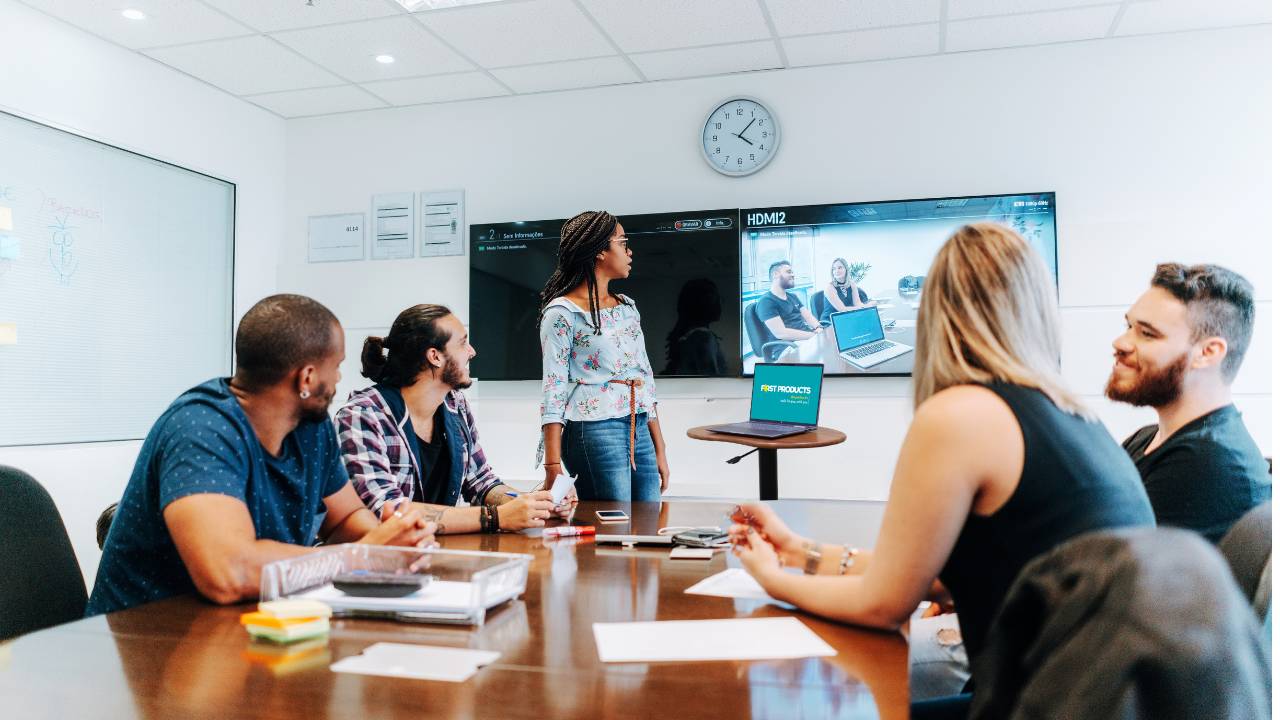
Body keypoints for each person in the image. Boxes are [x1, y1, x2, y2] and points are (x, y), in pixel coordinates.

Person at [728, 223, 1155, 718]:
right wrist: (797, 549)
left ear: (938, 311)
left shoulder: (962, 415)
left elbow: (883, 604)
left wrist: (769, 578)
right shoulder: (1070, 413)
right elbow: (927, 579)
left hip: (1041, 703)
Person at [87, 295, 436, 616]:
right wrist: (364, 555)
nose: (339, 377)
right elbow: (228, 574)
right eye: (337, 366)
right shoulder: (200, 429)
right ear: (308, 377)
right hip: (145, 643)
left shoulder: (311, 428)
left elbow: (345, 519)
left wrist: (389, 540)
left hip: (241, 631)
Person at [335, 304, 569, 533]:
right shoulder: (362, 416)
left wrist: (535, 505)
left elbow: (481, 481)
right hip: (385, 564)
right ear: (435, 356)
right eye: (463, 342)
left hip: (437, 555)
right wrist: (495, 518)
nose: (472, 351)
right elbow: (387, 512)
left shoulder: (455, 404)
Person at [1105, 263, 1270, 542]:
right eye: (1128, 326)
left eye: (1147, 333)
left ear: (1207, 352)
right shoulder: (1147, 438)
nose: (1120, 342)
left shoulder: (1208, 467)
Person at [538, 210, 670, 501]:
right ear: (599, 251)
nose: (629, 251)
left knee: (649, 525)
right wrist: (551, 464)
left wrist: (660, 448)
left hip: (639, 426)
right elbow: (553, 388)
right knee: (610, 529)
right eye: (623, 243)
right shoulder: (562, 312)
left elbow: (644, 379)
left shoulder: (627, 307)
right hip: (594, 430)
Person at [662, 277, 728, 376]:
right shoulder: (704, 338)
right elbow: (712, 383)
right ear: (696, 302)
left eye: (719, 299)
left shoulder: (687, 337)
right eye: (713, 298)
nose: (719, 304)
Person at [756, 260, 823, 341]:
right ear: (776, 274)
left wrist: (819, 327)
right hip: (788, 345)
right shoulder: (766, 302)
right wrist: (813, 335)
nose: (793, 275)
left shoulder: (792, 296)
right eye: (789, 272)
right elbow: (781, 333)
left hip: (805, 338)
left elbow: (808, 317)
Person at [821, 257, 877, 323]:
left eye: (840, 268)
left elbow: (857, 303)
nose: (836, 271)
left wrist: (868, 307)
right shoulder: (829, 287)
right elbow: (841, 309)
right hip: (831, 322)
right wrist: (865, 307)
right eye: (834, 269)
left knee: (871, 321)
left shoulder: (851, 283)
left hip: (846, 317)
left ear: (846, 269)